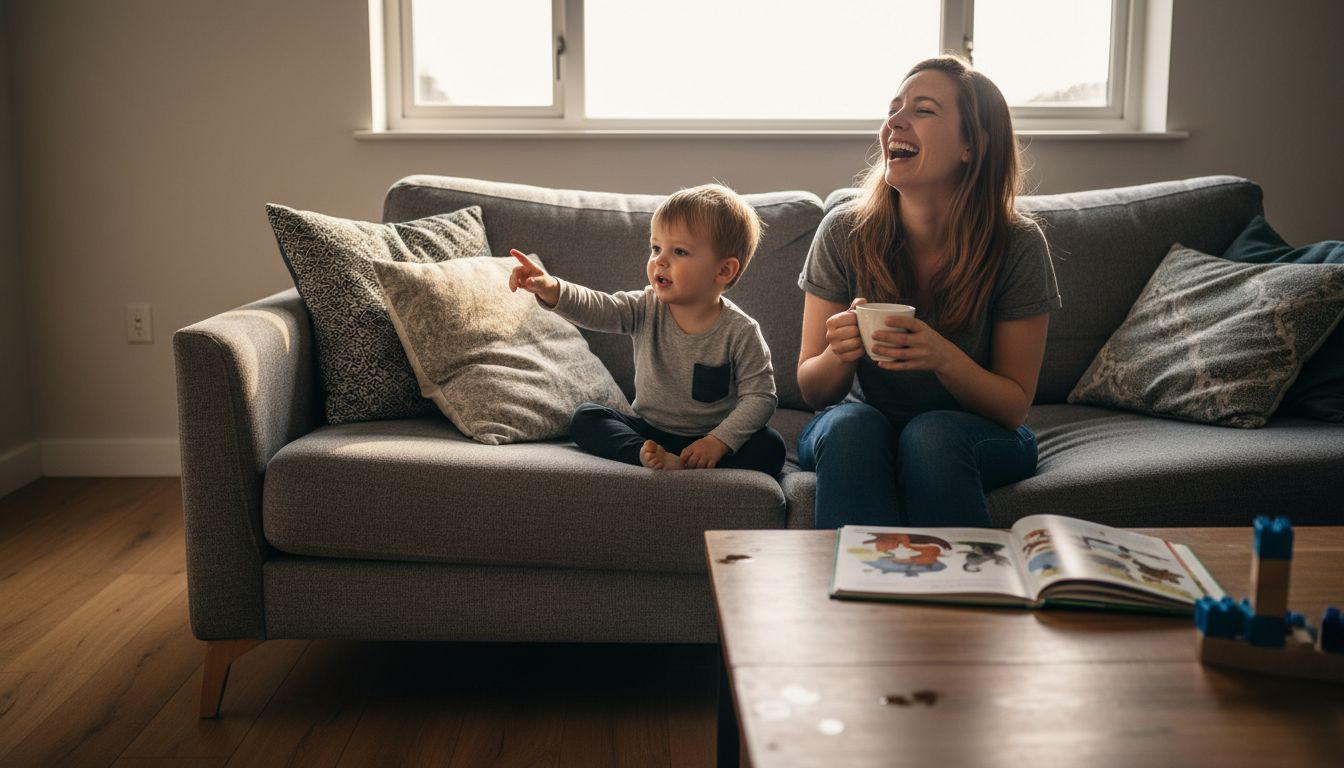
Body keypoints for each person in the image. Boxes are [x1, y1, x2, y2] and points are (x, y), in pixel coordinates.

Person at [796, 56, 1061, 528]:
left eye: (923, 110)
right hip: (862, 424)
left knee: (930, 434)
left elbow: (1014, 405)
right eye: (894, 107)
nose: (894, 121)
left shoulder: (1017, 244)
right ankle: (857, 598)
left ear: (971, 146)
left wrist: (941, 356)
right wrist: (841, 353)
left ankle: (955, 599)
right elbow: (814, 389)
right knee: (855, 427)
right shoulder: (844, 231)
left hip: (971, 433)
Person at [509, 183, 787, 476]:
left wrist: (718, 441)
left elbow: (761, 396)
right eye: (656, 248)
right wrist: (552, 288)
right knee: (586, 418)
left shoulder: (741, 331)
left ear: (724, 270)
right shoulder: (645, 307)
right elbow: (599, 308)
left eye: (679, 251)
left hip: (709, 436)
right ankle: (646, 456)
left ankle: (691, 462)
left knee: (771, 447)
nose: (660, 261)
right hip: (649, 432)